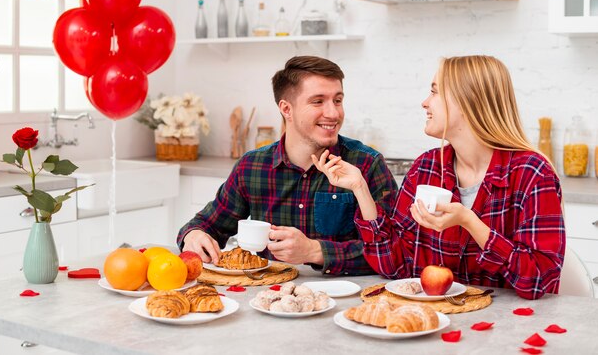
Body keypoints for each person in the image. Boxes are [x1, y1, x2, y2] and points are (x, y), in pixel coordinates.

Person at [313, 55, 564, 298]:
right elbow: (394, 266)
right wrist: (360, 188)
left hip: (508, 328)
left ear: (468, 102)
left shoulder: (531, 172)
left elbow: (539, 281)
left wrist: (469, 221)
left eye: (434, 92)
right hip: (437, 323)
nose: (425, 102)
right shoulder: (427, 166)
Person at [178, 56, 398, 275]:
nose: (333, 113)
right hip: (267, 297)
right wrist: (194, 235)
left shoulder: (367, 164)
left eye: (338, 100)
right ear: (286, 109)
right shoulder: (252, 166)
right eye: (318, 101)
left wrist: (315, 251)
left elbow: (395, 252)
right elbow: (206, 224)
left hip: (345, 301)